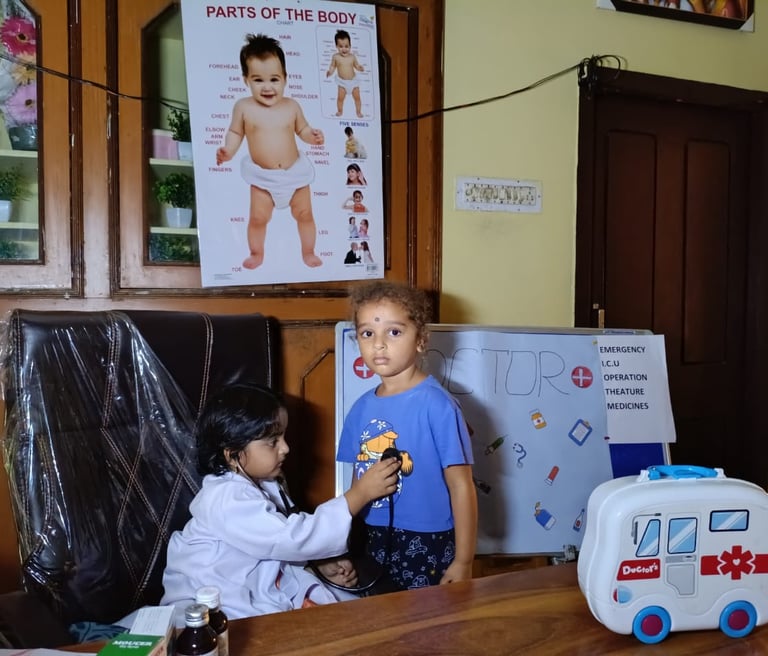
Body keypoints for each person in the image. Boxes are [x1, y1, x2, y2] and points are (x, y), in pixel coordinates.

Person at [161, 382, 400, 620]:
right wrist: (359, 494)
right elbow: (291, 538)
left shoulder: (264, 483)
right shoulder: (226, 498)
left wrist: (316, 564)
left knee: (351, 608)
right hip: (214, 596)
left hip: (254, 584)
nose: (285, 448)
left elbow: (276, 546)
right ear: (233, 454)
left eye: (283, 437)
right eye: (272, 441)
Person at [336, 281, 477, 591]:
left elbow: (461, 485)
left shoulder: (438, 406)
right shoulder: (359, 409)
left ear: (421, 340)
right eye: (367, 333)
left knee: (426, 618)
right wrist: (344, 547)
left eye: (394, 332)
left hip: (428, 540)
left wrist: (464, 560)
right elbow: (357, 485)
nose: (379, 344)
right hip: (372, 536)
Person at [216, 34, 324, 270]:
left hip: (295, 175)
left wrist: (312, 137)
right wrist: (229, 151)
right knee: (257, 218)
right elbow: (235, 133)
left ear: (285, 78)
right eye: (258, 80)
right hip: (263, 178)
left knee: (305, 215)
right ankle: (256, 253)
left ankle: (309, 251)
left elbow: (302, 129)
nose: (267, 87)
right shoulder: (243, 107)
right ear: (246, 80)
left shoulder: (292, 106)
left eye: (274, 79)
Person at [326, 29, 365, 118]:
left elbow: (356, 65)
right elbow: (333, 66)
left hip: (353, 81)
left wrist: (360, 68)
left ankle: (358, 112)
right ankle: (340, 111)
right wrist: (330, 72)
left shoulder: (352, 57)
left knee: (357, 98)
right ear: (336, 46)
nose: (344, 49)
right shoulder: (336, 57)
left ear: (350, 46)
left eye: (346, 46)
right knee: (340, 98)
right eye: (341, 46)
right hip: (342, 82)